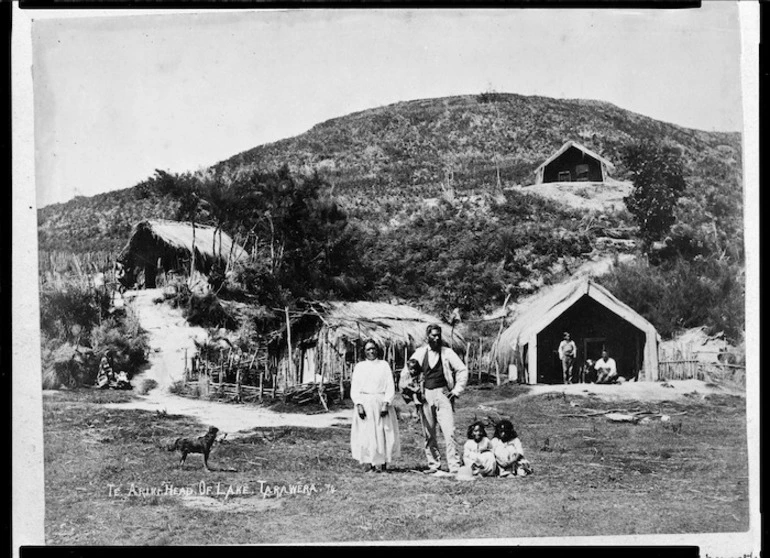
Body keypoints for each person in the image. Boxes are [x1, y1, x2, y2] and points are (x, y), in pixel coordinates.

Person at [400, 323, 469, 475]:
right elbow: (405, 372)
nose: (436, 338)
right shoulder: (420, 353)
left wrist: (456, 390)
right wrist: (412, 390)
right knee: (429, 433)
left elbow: (462, 370)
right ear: (427, 337)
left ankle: (454, 466)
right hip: (425, 396)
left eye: (438, 335)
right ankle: (434, 464)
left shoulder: (447, 352)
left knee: (449, 432)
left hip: (443, 394)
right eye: (433, 335)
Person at [350, 339, 401, 473]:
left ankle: (383, 464)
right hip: (366, 403)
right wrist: (359, 404)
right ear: (364, 352)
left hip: (381, 402)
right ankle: (370, 464)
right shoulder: (360, 367)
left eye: (373, 348)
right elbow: (355, 388)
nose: (371, 351)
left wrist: (386, 403)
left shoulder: (383, 365)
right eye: (368, 349)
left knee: (384, 432)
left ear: (377, 349)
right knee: (367, 433)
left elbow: (390, 385)